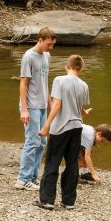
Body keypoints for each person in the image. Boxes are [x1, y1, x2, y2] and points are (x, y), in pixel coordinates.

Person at [38, 54, 90, 210]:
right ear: (81, 69)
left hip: (60, 127)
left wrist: (46, 125)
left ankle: (47, 200)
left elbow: (57, 105)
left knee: (52, 162)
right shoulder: (84, 85)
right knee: (72, 163)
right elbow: (80, 106)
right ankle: (68, 201)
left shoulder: (59, 80)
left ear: (66, 66)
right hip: (77, 127)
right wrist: (83, 112)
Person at [15, 27, 56, 190]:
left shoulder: (47, 56)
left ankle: (32, 177)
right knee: (32, 141)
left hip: (42, 105)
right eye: (48, 44)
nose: (50, 47)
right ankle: (22, 179)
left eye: (52, 44)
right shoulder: (28, 57)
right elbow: (23, 84)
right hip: (30, 106)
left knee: (41, 142)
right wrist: (24, 110)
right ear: (39, 40)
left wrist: (50, 103)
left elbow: (44, 81)